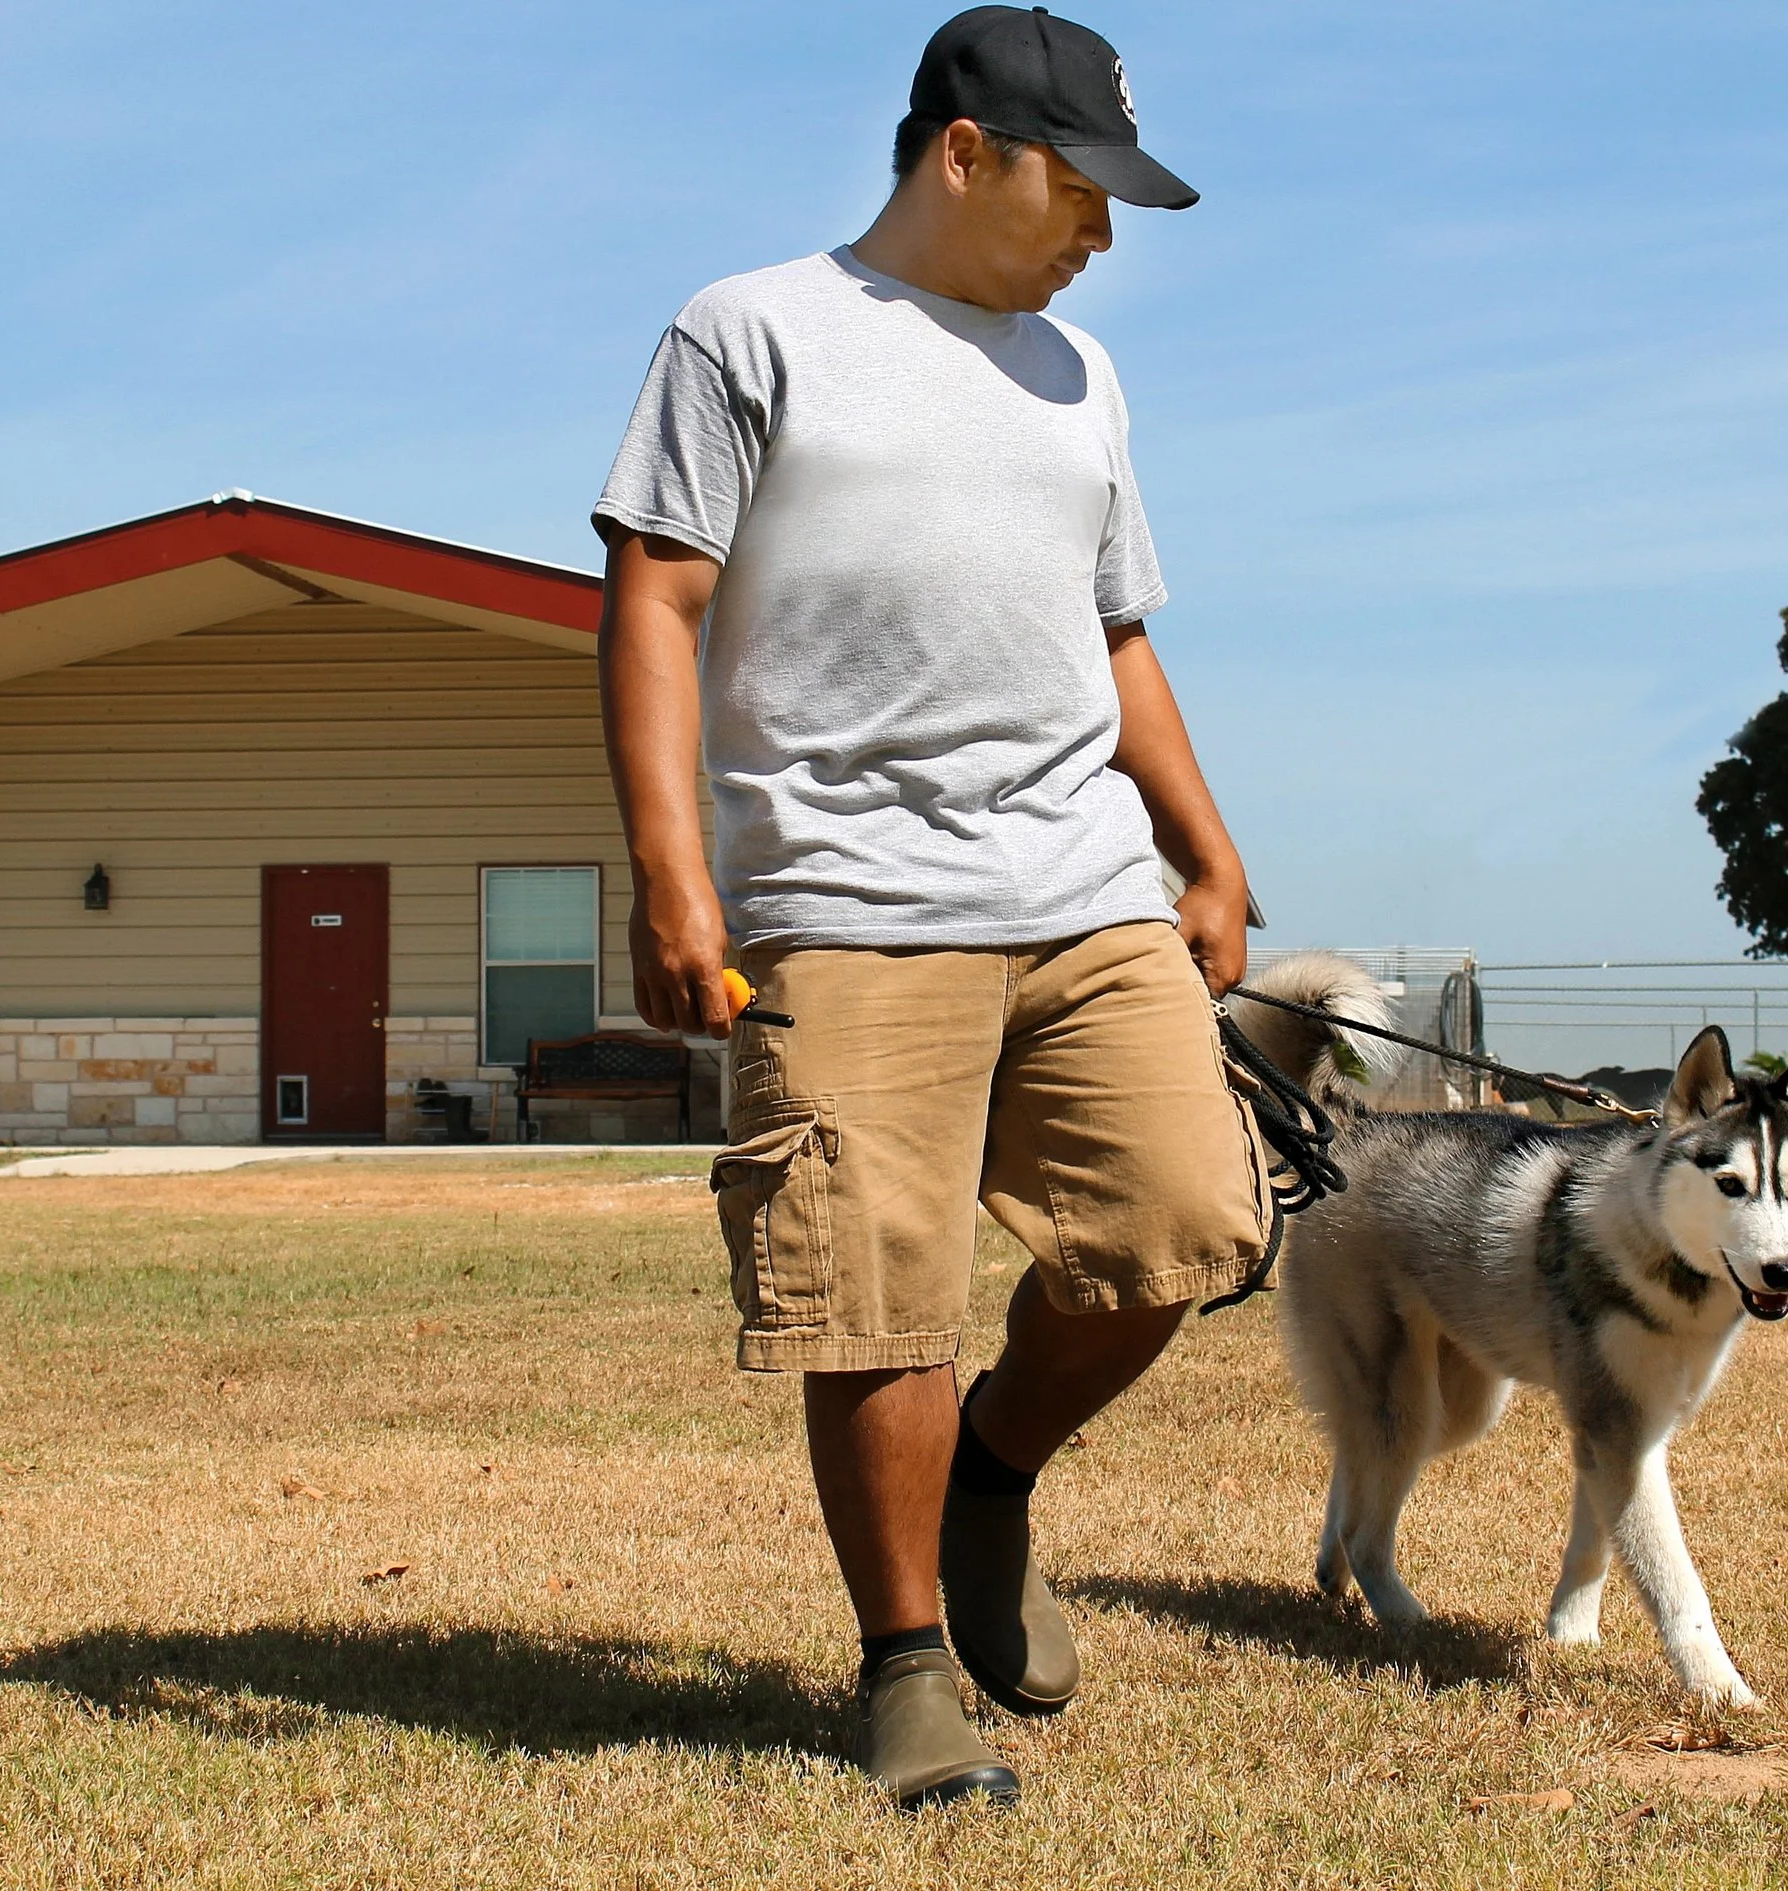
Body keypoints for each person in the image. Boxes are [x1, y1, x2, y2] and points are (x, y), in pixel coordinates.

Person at [593, 5, 1267, 1811]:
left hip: (1082, 887)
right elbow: (656, 601)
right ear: (961, 152)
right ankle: (903, 1667)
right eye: (1083, 187)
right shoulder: (751, 332)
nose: (1104, 232)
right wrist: (672, 873)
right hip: (846, 896)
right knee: (875, 1294)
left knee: (1188, 1226)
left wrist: (1204, 848)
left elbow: (1114, 635)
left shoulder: (1080, 379)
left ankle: (991, 1472)